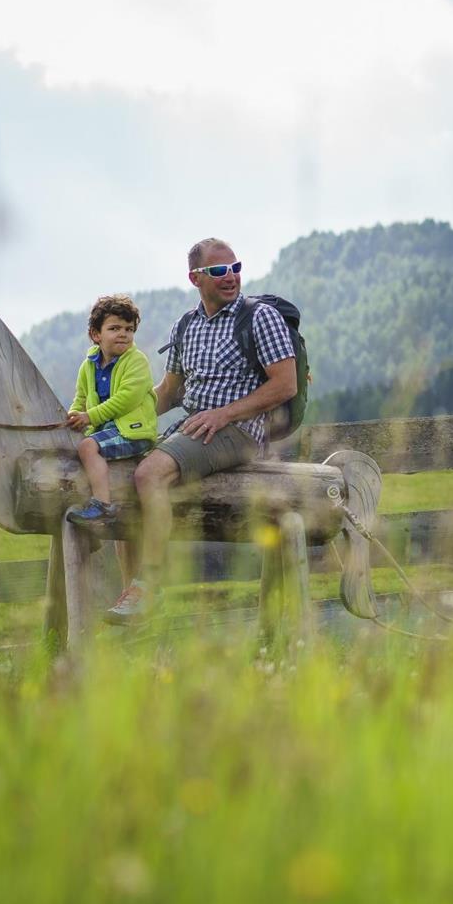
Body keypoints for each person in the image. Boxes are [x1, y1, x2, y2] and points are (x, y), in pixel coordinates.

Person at [108, 238, 299, 622]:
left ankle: (149, 585)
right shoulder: (185, 326)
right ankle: (133, 597)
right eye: (218, 271)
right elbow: (169, 392)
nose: (230, 277)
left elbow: (285, 384)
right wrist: (111, 423)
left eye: (235, 268)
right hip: (192, 429)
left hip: (239, 431)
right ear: (195, 278)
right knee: (121, 476)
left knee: (149, 473)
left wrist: (225, 414)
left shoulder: (260, 317)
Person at [64, 293, 159, 527]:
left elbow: (125, 399)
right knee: (73, 445)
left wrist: (90, 417)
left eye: (129, 329)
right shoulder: (88, 366)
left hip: (134, 431)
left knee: (87, 447)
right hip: (108, 430)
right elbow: (82, 398)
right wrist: (74, 416)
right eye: (114, 328)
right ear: (96, 334)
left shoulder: (137, 361)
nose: (123, 334)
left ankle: (103, 505)